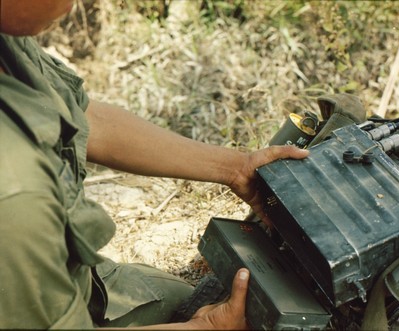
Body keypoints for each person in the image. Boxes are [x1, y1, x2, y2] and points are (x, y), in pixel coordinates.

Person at [0, 0, 309, 329]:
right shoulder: (16, 190)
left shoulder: (8, 37)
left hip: (77, 284)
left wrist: (235, 167)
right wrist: (207, 328)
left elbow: (86, 121)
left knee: (182, 295)